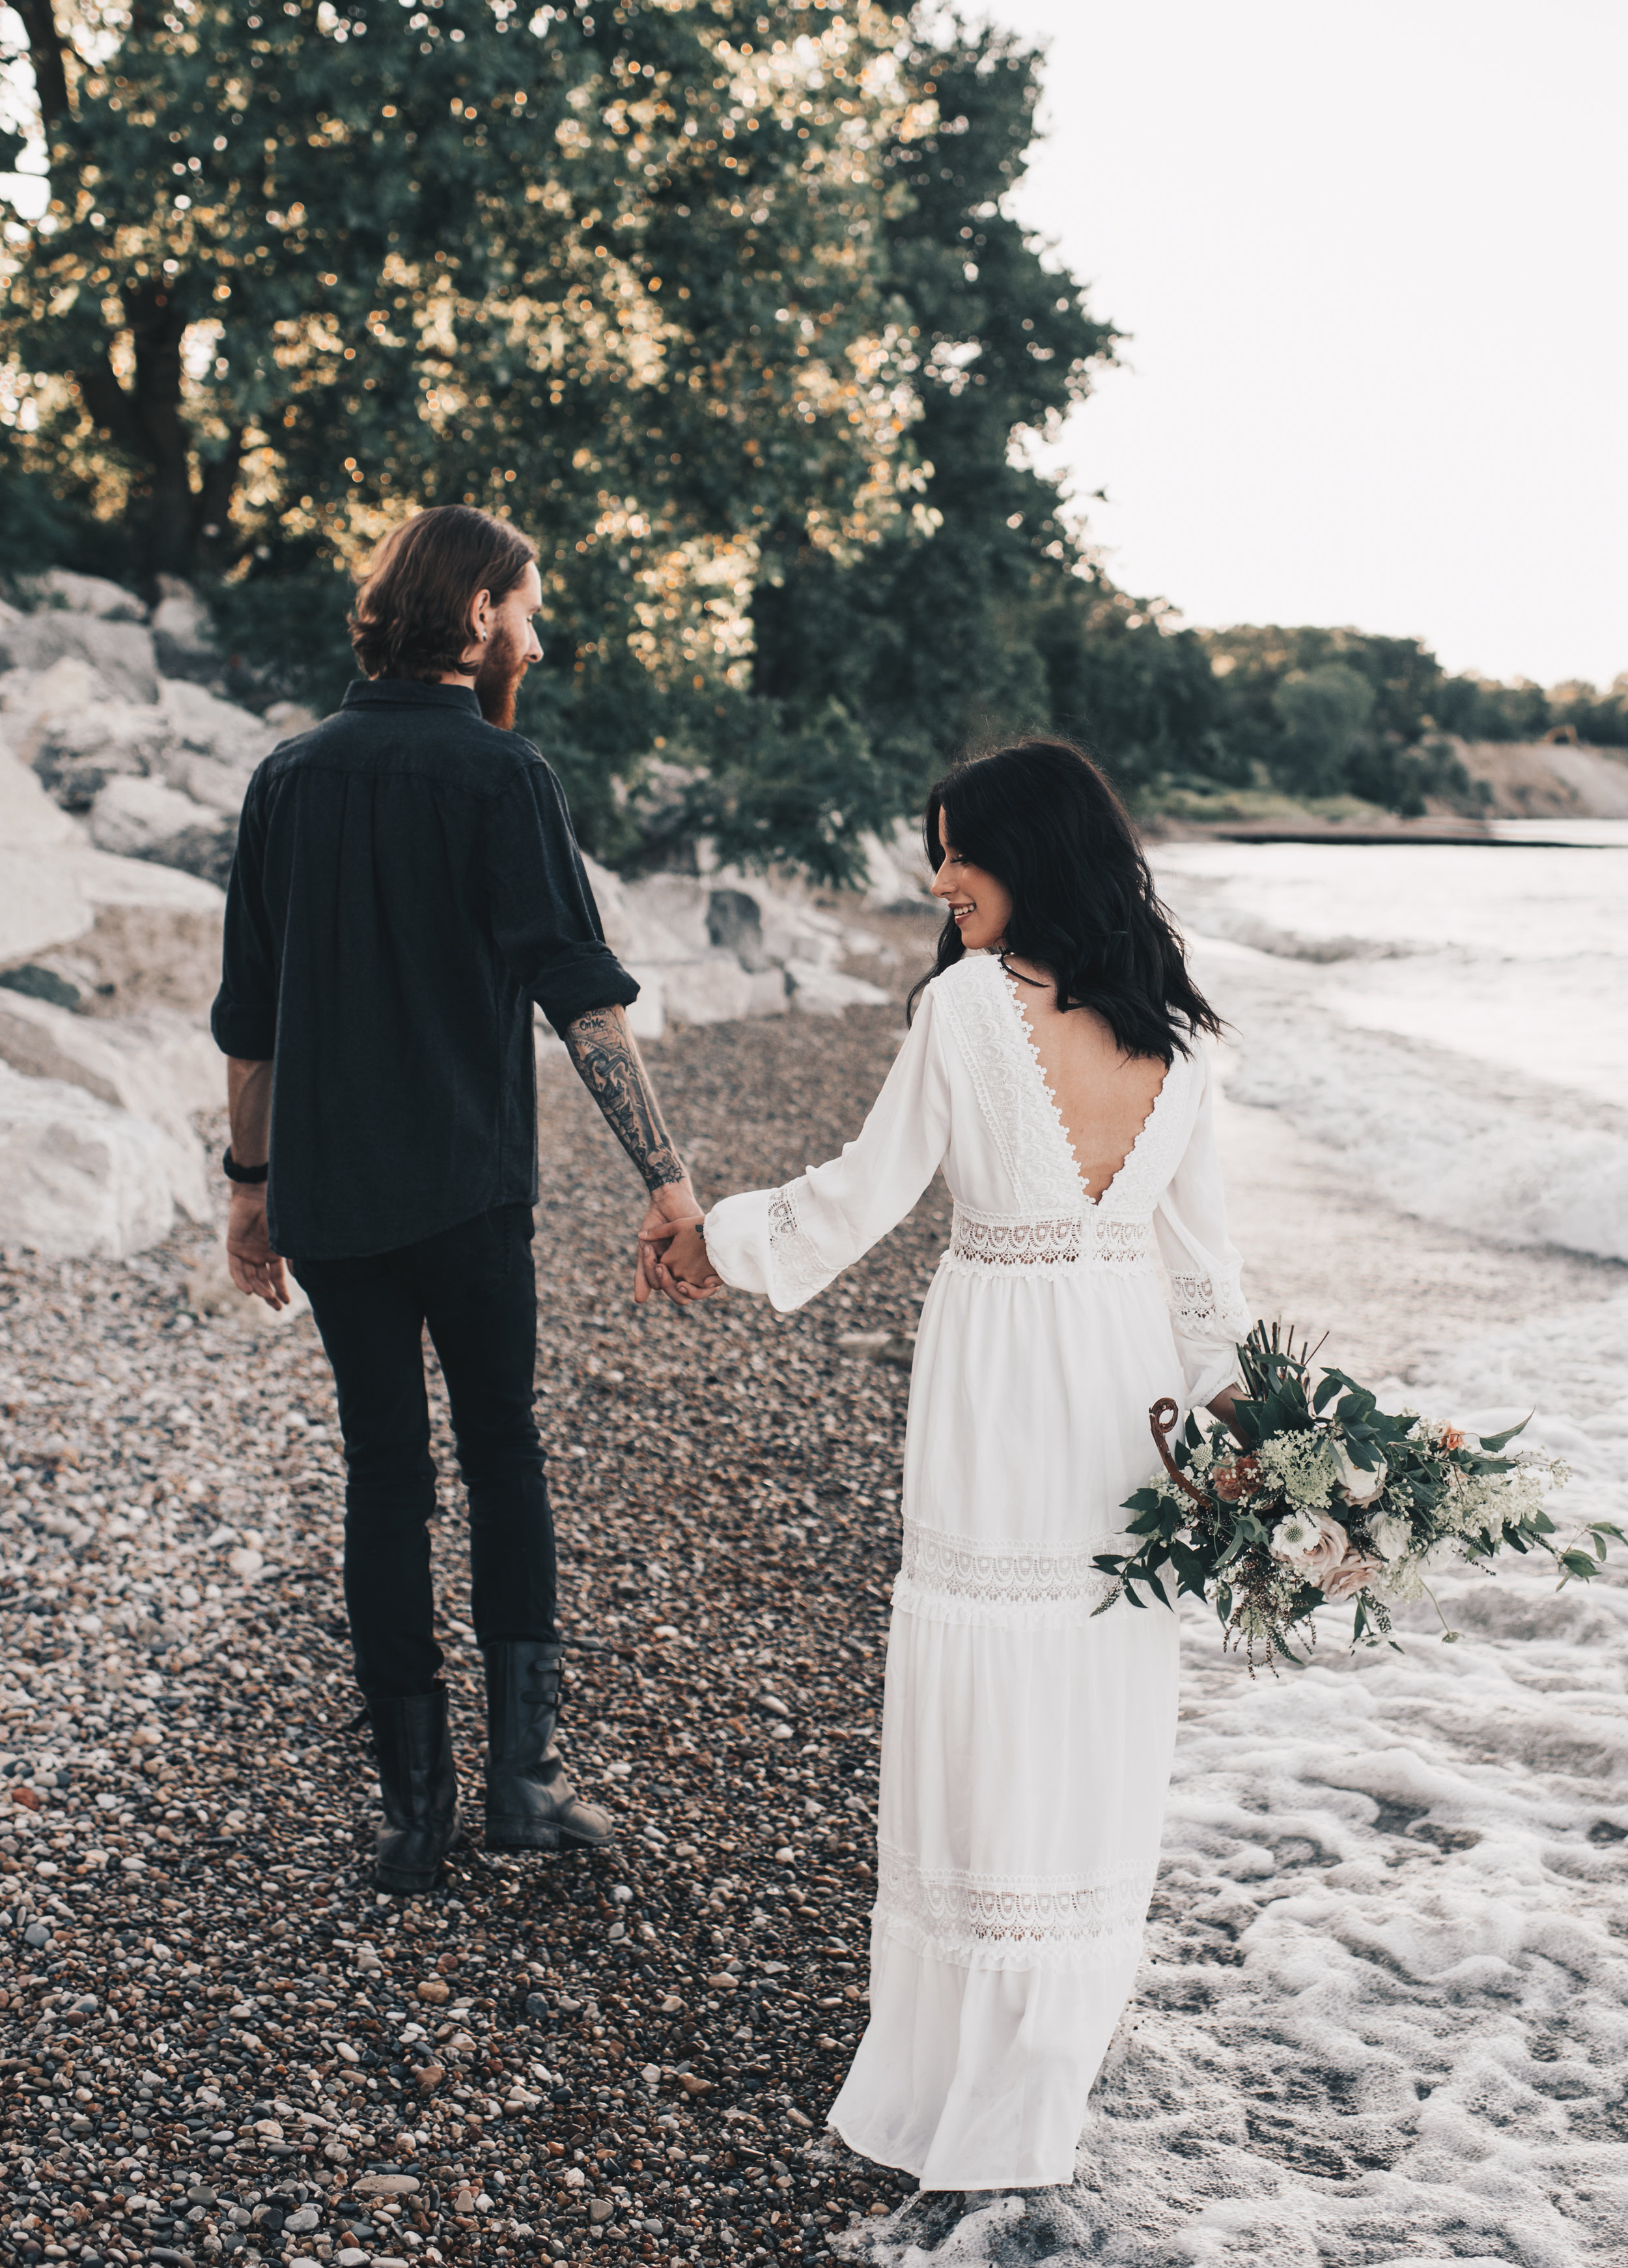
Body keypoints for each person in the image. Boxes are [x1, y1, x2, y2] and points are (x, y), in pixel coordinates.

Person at [648, 741, 1247, 2192]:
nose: (936, 879)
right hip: (1127, 1397)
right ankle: (1044, 2059)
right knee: (1093, 1689)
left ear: (1023, 854)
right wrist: (1258, 1439)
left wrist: (711, 1244)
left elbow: (856, 1196)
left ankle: (963, 2063)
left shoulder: (967, 1008)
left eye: (952, 850)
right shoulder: (1181, 1040)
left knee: (987, 1691)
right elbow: (1210, 1291)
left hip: (997, 1384)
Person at [212, 504, 702, 1894]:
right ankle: (521, 1789)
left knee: (383, 1474)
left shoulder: (286, 780)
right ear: (476, 610)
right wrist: (666, 1180)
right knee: (503, 1457)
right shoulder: (504, 779)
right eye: (528, 609)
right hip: (470, 1191)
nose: (538, 638)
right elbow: (580, 994)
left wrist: (250, 1193)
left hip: (334, 1198)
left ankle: (414, 1817)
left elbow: (250, 1020)